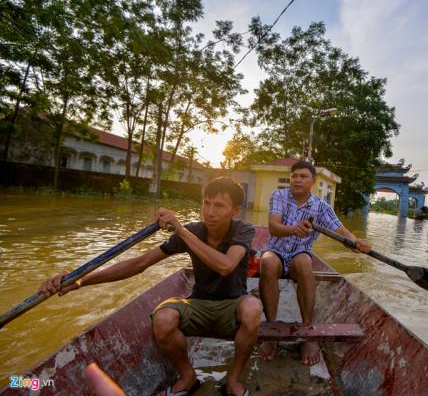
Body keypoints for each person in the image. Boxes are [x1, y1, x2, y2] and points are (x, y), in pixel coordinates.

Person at [40, 177, 260, 396]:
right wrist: (79, 280)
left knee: (252, 309)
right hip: (199, 304)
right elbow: (139, 263)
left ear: (235, 210)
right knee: (162, 318)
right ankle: (187, 377)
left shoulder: (243, 230)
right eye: (206, 203)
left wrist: (181, 231)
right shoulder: (194, 231)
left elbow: (225, 265)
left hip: (232, 306)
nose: (209, 212)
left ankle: (233, 381)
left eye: (219, 206)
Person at [257, 160, 371, 365]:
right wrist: (293, 229)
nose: (297, 180)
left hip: (300, 254)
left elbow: (340, 230)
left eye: (303, 176)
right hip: (276, 250)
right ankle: (271, 331)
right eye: (294, 176)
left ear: (313, 181)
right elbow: (273, 227)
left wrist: (356, 242)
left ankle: (308, 333)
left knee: (304, 264)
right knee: (266, 262)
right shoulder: (279, 196)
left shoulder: (321, 207)